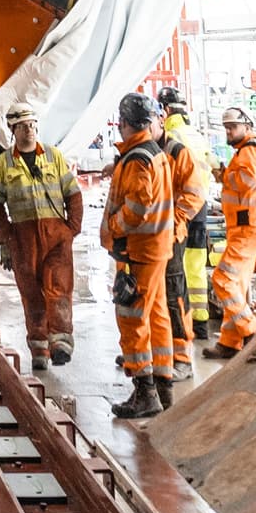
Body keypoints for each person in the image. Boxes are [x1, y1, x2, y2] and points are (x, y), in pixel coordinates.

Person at [101, 94, 185, 421]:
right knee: (156, 316)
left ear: (123, 123)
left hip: (139, 250)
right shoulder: (154, 152)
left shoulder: (137, 159)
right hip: (156, 249)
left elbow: (138, 207)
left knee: (132, 317)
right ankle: (163, 387)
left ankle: (145, 392)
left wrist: (113, 226)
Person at [0, 107, 83, 372]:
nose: (29, 129)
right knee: (31, 294)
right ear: (13, 130)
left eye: (31, 124)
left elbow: (73, 194)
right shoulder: (4, 163)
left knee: (58, 287)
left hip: (55, 236)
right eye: (22, 125)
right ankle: (39, 348)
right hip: (24, 239)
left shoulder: (53, 156)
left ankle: (60, 342)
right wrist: (7, 237)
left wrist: (71, 229)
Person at [208, 104, 256, 357]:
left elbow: (248, 180)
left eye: (232, 127)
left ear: (247, 126)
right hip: (243, 226)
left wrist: (225, 176)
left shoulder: (252, 150)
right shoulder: (244, 151)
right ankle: (230, 341)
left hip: (249, 227)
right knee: (236, 282)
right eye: (226, 128)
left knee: (223, 279)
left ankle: (252, 333)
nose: (228, 132)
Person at [154, 86, 215, 371]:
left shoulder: (172, 139)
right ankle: (200, 325)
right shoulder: (197, 134)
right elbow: (212, 166)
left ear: (164, 112)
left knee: (176, 278)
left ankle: (182, 343)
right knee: (195, 267)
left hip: (179, 211)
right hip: (199, 209)